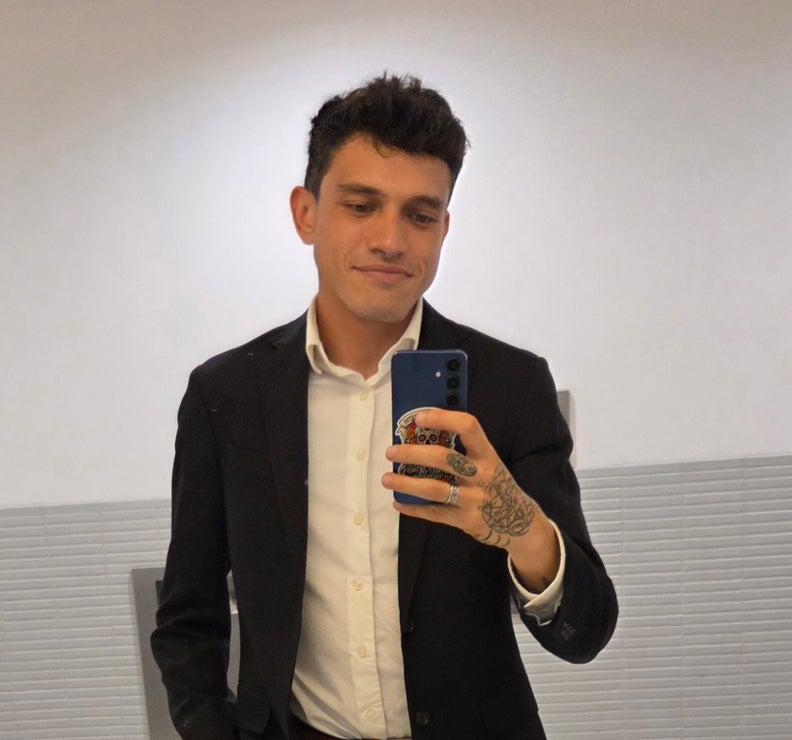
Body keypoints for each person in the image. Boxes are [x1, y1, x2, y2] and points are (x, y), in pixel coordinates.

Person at [151, 74, 617, 740]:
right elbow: (187, 620)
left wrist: (521, 527)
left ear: (443, 229)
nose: (391, 239)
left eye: (420, 215)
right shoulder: (226, 396)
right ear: (306, 213)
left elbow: (585, 632)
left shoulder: (510, 387)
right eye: (361, 205)